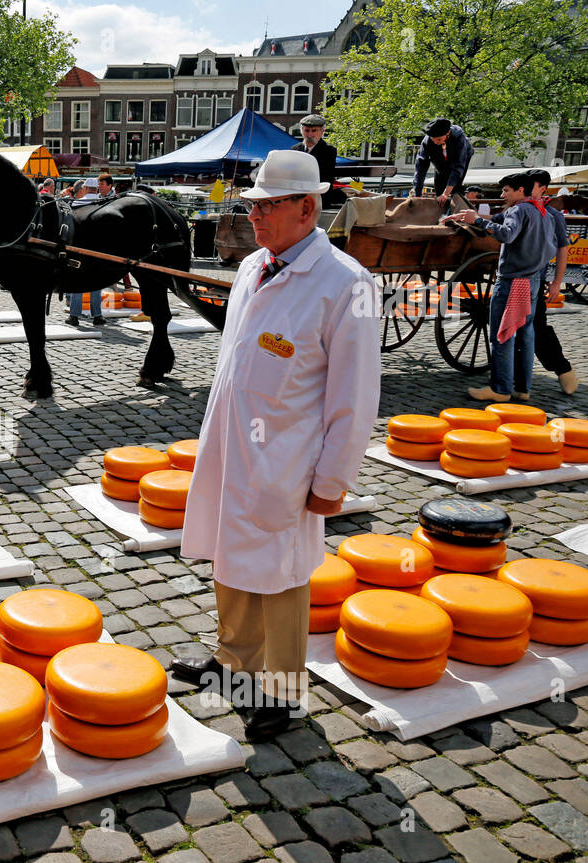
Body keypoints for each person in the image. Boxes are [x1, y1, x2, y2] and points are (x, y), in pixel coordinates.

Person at [175, 150, 380, 741]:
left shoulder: (347, 283)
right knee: (231, 557)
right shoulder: (252, 267)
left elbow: (357, 394)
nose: (256, 216)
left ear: (307, 207)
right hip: (235, 445)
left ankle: (285, 694)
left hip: (288, 458)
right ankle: (233, 664)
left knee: (282, 574)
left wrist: (332, 480)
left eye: (267, 206)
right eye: (252, 205)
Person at [444, 171, 550, 401]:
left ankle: (500, 389)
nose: (502, 195)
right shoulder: (542, 212)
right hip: (532, 281)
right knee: (524, 335)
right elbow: (550, 248)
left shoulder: (518, 210)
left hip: (512, 280)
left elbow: (507, 235)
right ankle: (523, 389)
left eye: (506, 191)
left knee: (502, 334)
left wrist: (479, 221)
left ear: (520, 191)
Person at [527, 169, 576, 394]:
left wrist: (557, 282)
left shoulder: (553, 215)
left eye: (531, 186)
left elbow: (562, 249)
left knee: (537, 326)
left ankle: (563, 369)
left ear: (543, 189)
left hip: (536, 279)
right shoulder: (517, 208)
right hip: (512, 280)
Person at [66, 182, 104, 327]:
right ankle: (97, 315)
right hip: (99, 249)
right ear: (97, 188)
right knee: (97, 282)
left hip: (80, 247)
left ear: (85, 188)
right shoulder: (104, 202)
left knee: (78, 281)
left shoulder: (77, 203)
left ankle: (74, 316)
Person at [413, 118, 474, 206]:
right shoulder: (427, 142)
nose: (436, 142)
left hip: (461, 156)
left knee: (455, 187)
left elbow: (458, 168)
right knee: (439, 183)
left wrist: (446, 194)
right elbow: (420, 168)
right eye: (433, 139)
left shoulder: (459, 138)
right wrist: (417, 195)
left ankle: (457, 207)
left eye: (438, 139)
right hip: (440, 158)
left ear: (448, 133)